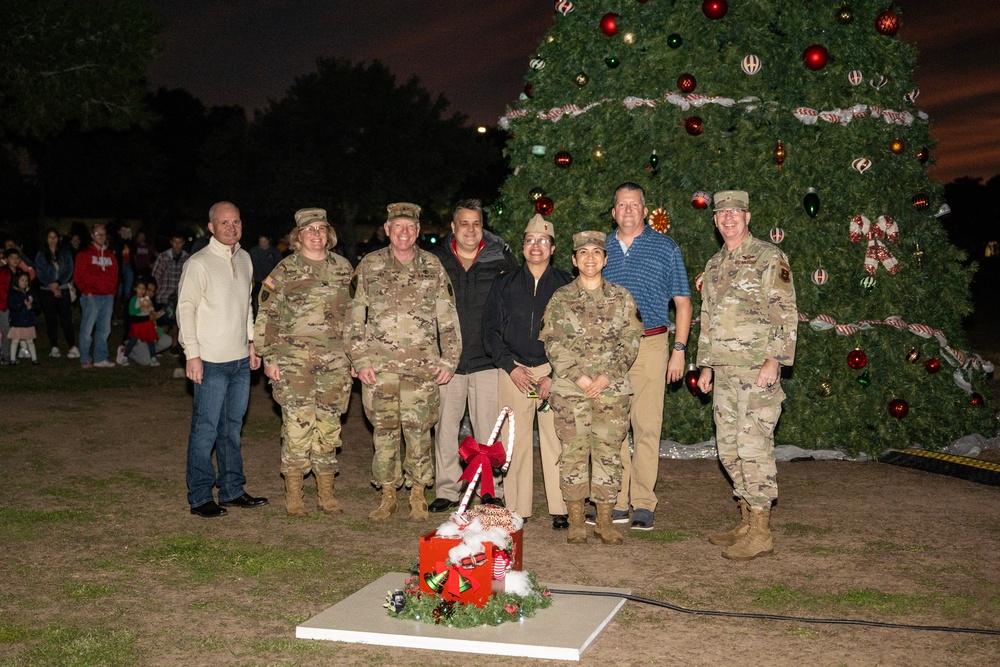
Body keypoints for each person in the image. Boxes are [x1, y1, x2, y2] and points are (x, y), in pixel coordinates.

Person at [696, 190, 797, 561]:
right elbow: (707, 318)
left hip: (757, 371)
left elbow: (785, 312)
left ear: (747, 217)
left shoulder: (769, 257)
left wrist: (776, 360)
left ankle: (762, 531)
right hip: (723, 372)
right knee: (729, 449)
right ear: (715, 220)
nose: (728, 218)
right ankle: (746, 519)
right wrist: (705, 364)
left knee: (754, 448)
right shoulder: (714, 264)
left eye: (736, 212)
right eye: (722, 214)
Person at [345, 202, 462, 523]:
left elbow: (447, 318)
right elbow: (355, 317)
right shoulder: (369, 266)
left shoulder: (432, 266)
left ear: (418, 231)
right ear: (387, 230)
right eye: (398, 226)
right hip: (379, 370)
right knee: (383, 433)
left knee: (419, 433)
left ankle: (417, 495)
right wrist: (359, 358)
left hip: (422, 370)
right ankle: (387, 496)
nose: (404, 232)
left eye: (410, 227)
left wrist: (449, 360)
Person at [540, 231, 642, 545]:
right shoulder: (561, 298)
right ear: (573, 259)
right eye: (583, 252)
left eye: (596, 252)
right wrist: (580, 377)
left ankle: (605, 520)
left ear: (605, 259)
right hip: (571, 390)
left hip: (611, 390)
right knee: (573, 454)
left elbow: (631, 340)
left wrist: (606, 376)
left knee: (608, 455)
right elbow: (552, 342)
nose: (589, 258)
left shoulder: (622, 297)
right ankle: (575, 520)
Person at [603, 182, 692, 531]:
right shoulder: (601, 248)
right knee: (614, 427)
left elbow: (683, 302)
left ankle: (643, 502)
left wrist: (679, 352)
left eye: (634, 205)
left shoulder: (665, 248)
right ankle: (618, 501)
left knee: (646, 426)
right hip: (609, 349)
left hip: (652, 344)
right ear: (613, 212)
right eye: (621, 205)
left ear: (645, 210)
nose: (627, 210)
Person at [254, 208, 353, 517]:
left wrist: (356, 355)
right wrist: (268, 356)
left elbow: (357, 317)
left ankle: (326, 494)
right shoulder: (283, 271)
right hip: (293, 363)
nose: (316, 234)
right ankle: (294, 495)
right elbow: (266, 316)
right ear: (298, 236)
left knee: (329, 427)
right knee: (298, 427)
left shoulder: (344, 268)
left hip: (336, 363)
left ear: (329, 233)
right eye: (310, 229)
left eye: (322, 228)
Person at [178, 201, 268, 518]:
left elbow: (246, 306)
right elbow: (185, 309)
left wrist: (252, 343)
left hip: (240, 362)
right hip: (211, 361)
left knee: (231, 429)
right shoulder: (199, 263)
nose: (232, 227)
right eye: (224, 222)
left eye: (237, 222)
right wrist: (193, 355)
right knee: (205, 430)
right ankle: (200, 495)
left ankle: (232, 489)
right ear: (212, 227)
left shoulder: (244, 259)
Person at [483, 214, 573, 530]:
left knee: (555, 440)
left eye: (543, 241)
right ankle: (516, 508)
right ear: (523, 246)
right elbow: (490, 330)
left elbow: (574, 336)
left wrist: (556, 374)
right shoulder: (504, 283)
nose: (536, 246)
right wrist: (510, 367)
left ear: (552, 248)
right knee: (514, 441)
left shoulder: (565, 285)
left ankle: (561, 507)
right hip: (515, 373)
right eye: (531, 241)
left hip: (551, 372)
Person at [429, 199, 517, 513]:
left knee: (489, 431)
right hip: (448, 362)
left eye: (476, 224)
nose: (470, 230)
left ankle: (491, 490)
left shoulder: (500, 258)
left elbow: (514, 303)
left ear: (483, 227)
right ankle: (448, 490)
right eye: (463, 223)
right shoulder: (436, 259)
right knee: (446, 429)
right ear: (453, 228)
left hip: (487, 359)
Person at [73, 224, 119, 369]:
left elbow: (115, 275)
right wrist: (87, 291)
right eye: (98, 234)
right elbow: (78, 276)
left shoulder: (110, 255)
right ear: (92, 236)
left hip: (107, 297)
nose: (101, 237)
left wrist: (112, 293)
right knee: (87, 329)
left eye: (103, 234)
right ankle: (85, 358)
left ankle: (100, 357)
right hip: (91, 297)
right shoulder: (85, 254)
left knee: (104, 329)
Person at [34, 229, 79, 358]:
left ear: (58, 238)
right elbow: (40, 272)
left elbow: (69, 269)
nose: (52, 239)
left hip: (63, 288)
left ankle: (72, 346)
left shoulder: (65, 253)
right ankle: (54, 347)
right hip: (47, 291)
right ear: (46, 239)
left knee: (66, 319)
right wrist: (51, 285)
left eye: (54, 237)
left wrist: (58, 283)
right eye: (49, 237)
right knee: (51, 320)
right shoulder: (41, 255)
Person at [151, 234, 189, 350]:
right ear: (171, 242)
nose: (177, 245)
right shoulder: (163, 257)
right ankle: (159, 344)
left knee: (177, 322)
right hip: (164, 295)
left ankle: (174, 345)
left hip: (179, 296)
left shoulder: (187, 258)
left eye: (180, 242)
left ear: (183, 243)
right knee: (164, 322)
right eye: (175, 242)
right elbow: (155, 276)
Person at [119, 280, 160, 367]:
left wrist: (151, 310)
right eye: (139, 288)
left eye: (143, 289)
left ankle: (153, 358)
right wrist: (141, 309)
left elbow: (150, 311)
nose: (141, 290)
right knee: (132, 341)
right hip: (137, 325)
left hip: (147, 324)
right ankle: (125, 356)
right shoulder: (133, 299)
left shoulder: (146, 299)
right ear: (135, 288)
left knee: (150, 341)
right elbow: (131, 312)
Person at [6, 272, 39, 365]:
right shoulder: (13, 293)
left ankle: (34, 359)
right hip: (17, 322)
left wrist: (31, 306)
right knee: (15, 341)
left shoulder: (30, 293)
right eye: (22, 280)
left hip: (28, 321)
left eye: (26, 280)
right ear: (16, 281)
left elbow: (37, 305)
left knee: (30, 341)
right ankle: (12, 360)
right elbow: (11, 306)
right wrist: (22, 304)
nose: (25, 282)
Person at [249, 234, 282, 318]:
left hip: (270, 280)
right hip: (257, 280)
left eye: (265, 242)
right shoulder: (254, 251)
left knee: (271, 299)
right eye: (261, 242)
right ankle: (258, 316)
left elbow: (280, 267)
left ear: (269, 241)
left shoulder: (274, 252)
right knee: (256, 299)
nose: (263, 244)